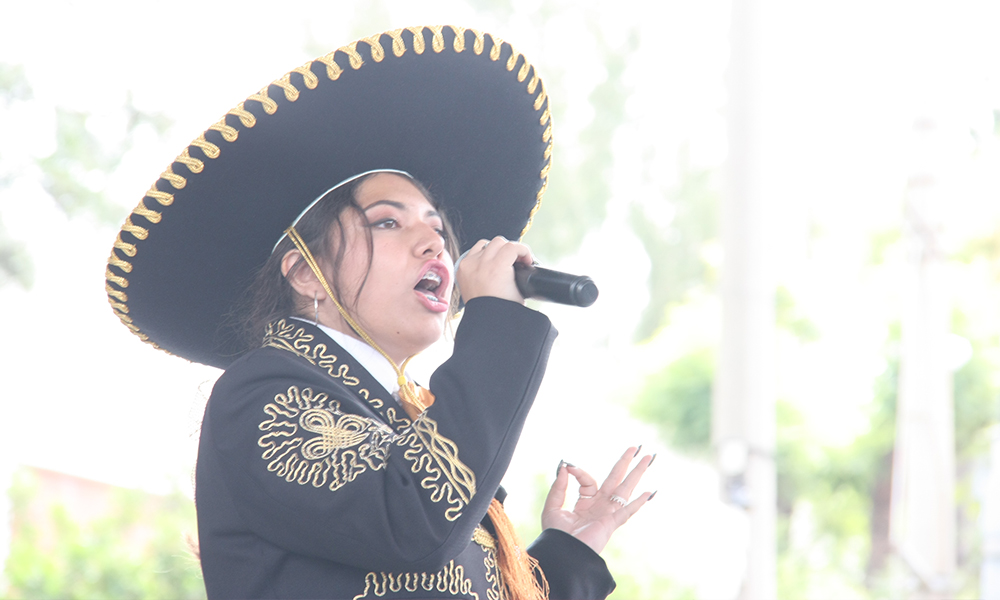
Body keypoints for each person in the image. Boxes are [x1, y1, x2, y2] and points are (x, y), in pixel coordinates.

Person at [105, 26, 652, 600]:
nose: (435, 243)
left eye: (438, 228)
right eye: (388, 222)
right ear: (303, 272)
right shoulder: (259, 393)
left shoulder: (417, 424)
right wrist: (494, 322)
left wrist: (567, 558)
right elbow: (413, 519)